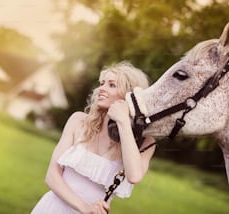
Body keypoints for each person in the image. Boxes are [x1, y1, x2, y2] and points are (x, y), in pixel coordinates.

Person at [31, 61, 156, 214]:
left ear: (129, 96)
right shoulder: (78, 121)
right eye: (102, 83)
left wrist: (123, 121)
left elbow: (134, 176)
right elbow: (51, 176)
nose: (101, 89)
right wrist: (85, 207)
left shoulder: (145, 143)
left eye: (111, 85)